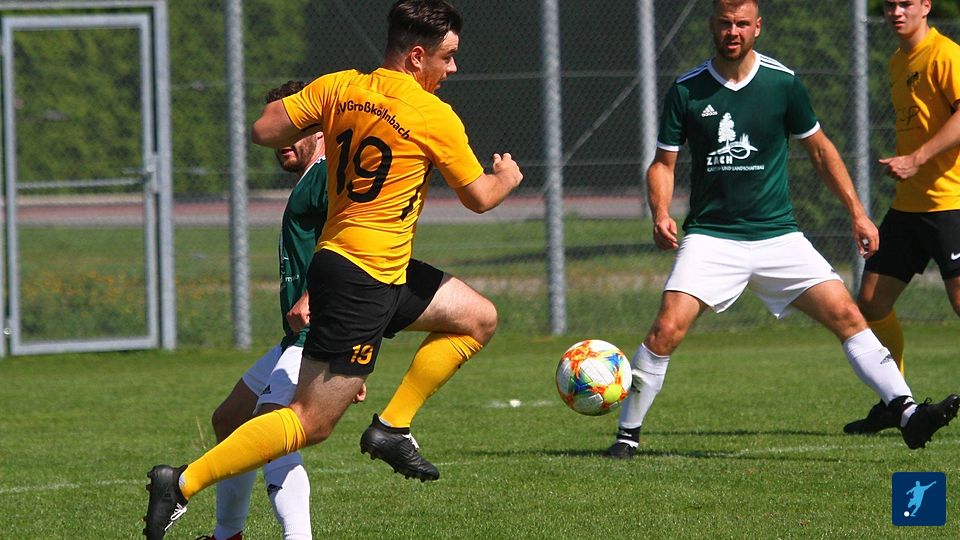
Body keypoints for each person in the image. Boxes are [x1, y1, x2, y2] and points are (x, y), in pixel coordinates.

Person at [142, 1, 523, 537]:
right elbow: (479, 197)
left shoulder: (340, 86)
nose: (453, 68)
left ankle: (393, 428)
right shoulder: (432, 114)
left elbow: (264, 129)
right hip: (362, 279)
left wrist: (329, 114)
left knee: (478, 318)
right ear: (417, 57)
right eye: (448, 56)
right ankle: (180, 484)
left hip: (378, 269)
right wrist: (507, 177)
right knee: (310, 422)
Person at [603, 0, 958, 460]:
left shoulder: (782, 82)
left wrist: (857, 212)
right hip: (712, 237)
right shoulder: (687, 89)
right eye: (725, 23)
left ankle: (908, 414)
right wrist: (660, 212)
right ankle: (627, 436)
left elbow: (821, 151)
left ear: (758, 28)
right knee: (666, 329)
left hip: (778, 236)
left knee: (847, 315)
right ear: (713, 25)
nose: (733, 32)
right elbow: (662, 164)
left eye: (742, 24)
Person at [194, 80, 366, 540]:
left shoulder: (328, 176)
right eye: (277, 129)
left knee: (271, 428)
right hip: (297, 337)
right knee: (229, 420)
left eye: (293, 127)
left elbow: (353, 247)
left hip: (319, 333)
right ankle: (228, 534)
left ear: (319, 128)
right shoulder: (311, 178)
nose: (281, 138)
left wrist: (350, 348)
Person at [843, 0, 960, 435]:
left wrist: (917, 158)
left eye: (905, 3)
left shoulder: (946, 54)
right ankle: (897, 403)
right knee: (871, 303)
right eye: (889, 4)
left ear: (926, 6)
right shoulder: (897, 61)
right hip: (909, 206)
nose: (896, 11)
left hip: (950, 202)